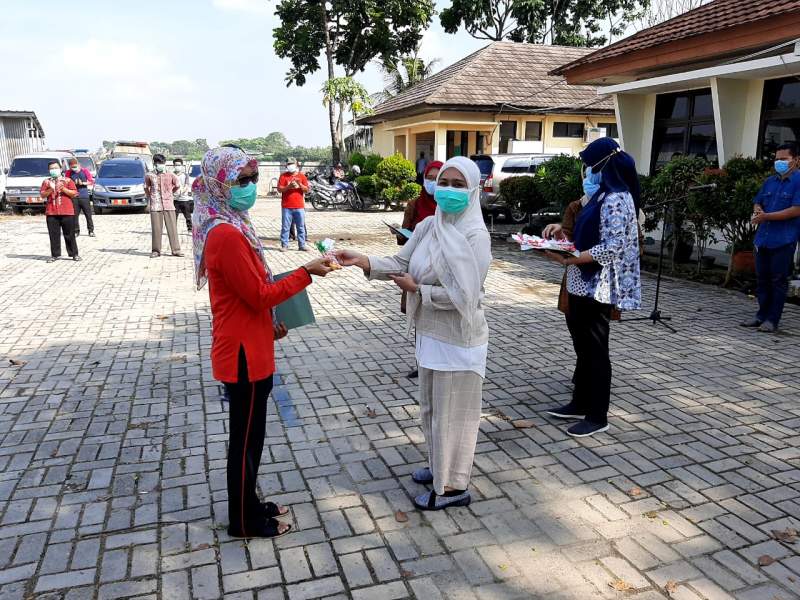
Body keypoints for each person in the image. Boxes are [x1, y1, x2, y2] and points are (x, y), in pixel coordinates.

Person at [192, 146, 334, 538]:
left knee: (253, 436)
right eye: (241, 180)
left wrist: (273, 322)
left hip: (252, 344)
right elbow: (259, 294)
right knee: (245, 440)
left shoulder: (235, 223)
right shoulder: (225, 235)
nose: (250, 187)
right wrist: (307, 272)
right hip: (242, 355)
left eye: (253, 179)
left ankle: (250, 503)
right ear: (220, 184)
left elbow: (252, 295)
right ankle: (242, 519)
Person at [336, 156, 492, 511]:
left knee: (455, 415)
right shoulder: (428, 226)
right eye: (442, 182)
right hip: (429, 333)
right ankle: (439, 466)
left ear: (472, 190)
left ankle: (453, 487)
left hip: (459, 337)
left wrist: (418, 291)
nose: (447, 190)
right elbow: (403, 263)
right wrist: (362, 260)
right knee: (432, 410)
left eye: (457, 184)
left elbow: (466, 297)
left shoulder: (475, 236)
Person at [542, 137, 641, 438]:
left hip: (598, 285)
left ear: (602, 165)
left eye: (589, 164)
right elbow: (586, 226)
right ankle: (580, 402)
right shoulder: (600, 194)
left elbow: (612, 247)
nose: (586, 171)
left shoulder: (616, 198)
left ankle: (598, 415)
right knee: (582, 347)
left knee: (596, 351)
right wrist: (561, 235)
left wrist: (571, 258)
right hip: (580, 281)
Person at [741, 142, 800, 333]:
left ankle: (772, 320)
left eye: (784, 159)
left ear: (796, 160)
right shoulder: (770, 181)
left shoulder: (798, 182)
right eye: (777, 159)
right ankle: (761, 315)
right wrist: (758, 210)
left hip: (783, 240)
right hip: (763, 239)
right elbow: (758, 202)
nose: (779, 162)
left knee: (778, 280)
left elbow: (795, 210)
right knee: (762, 279)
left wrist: (766, 216)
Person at [399, 159, 443, 379]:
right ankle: (421, 362)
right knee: (419, 315)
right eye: (429, 178)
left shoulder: (448, 207)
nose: (433, 183)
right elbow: (403, 235)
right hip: (416, 269)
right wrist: (404, 234)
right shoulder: (415, 204)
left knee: (438, 314)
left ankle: (437, 361)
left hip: (441, 272)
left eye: (438, 179)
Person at [40, 161, 80, 262]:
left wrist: (63, 189)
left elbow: (74, 193)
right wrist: (50, 189)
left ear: (60, 169)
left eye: (56, 168)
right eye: (51, 168)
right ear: (49, 170)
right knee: (53, 235)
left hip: (67, 211)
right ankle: (55, 255)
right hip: (52, 212)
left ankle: (74, 254)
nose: (54, 170)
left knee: (69, 234)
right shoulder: (46, 182)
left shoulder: (67, 180)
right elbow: (42, 195)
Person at [144, 154, 182, 258]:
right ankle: (156, 251)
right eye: (158, 163)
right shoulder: (149, 175)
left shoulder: (170, 174)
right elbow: (146, 187)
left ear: (164, 163)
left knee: (172, 228)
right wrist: (151, 197)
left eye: (161, 163)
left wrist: (170, 193)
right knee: (156, 229)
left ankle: (176, 250)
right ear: (154, 164)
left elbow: (177, 185)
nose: (160, 165)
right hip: (155, 205)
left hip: (168, 204)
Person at [277, 158, 309, 252]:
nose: (290, 166)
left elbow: (307, 190)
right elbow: (279, 189)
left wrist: (300, 185)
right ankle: (284, 245)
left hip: (299, 206)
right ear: (286, 166)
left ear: (296, 165)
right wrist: (289, 186)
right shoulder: (283, 176)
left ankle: (302, 245)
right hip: (286, 206)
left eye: (292, 164)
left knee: (301, 226)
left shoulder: (302, 176)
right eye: (289, 164)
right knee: (285, 227)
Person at [66, 157, 95, 237]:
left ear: (78, 164)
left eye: (75, 166)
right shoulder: (69, 172)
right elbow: (66, 182)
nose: (74, 168)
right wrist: (72, 184)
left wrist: (83, 183)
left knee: (88, 214)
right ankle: (76, 231)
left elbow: (91, 181)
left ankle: (91, 230)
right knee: (74, 215)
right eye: (72, 167)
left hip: (84, 196)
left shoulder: (84, 171)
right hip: (74, 196)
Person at [173, 158, 194, 232]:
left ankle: (190, 229)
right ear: (173, 165)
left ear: (182, 165)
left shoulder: (185, 175)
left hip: (184, 199)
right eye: (175, 165)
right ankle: (173, 230)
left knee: (187, 216)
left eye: (179, 165)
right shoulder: (172, 175)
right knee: (174, 216)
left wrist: (181, 192)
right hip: (175, 199)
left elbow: (187, 185)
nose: (177, 166)